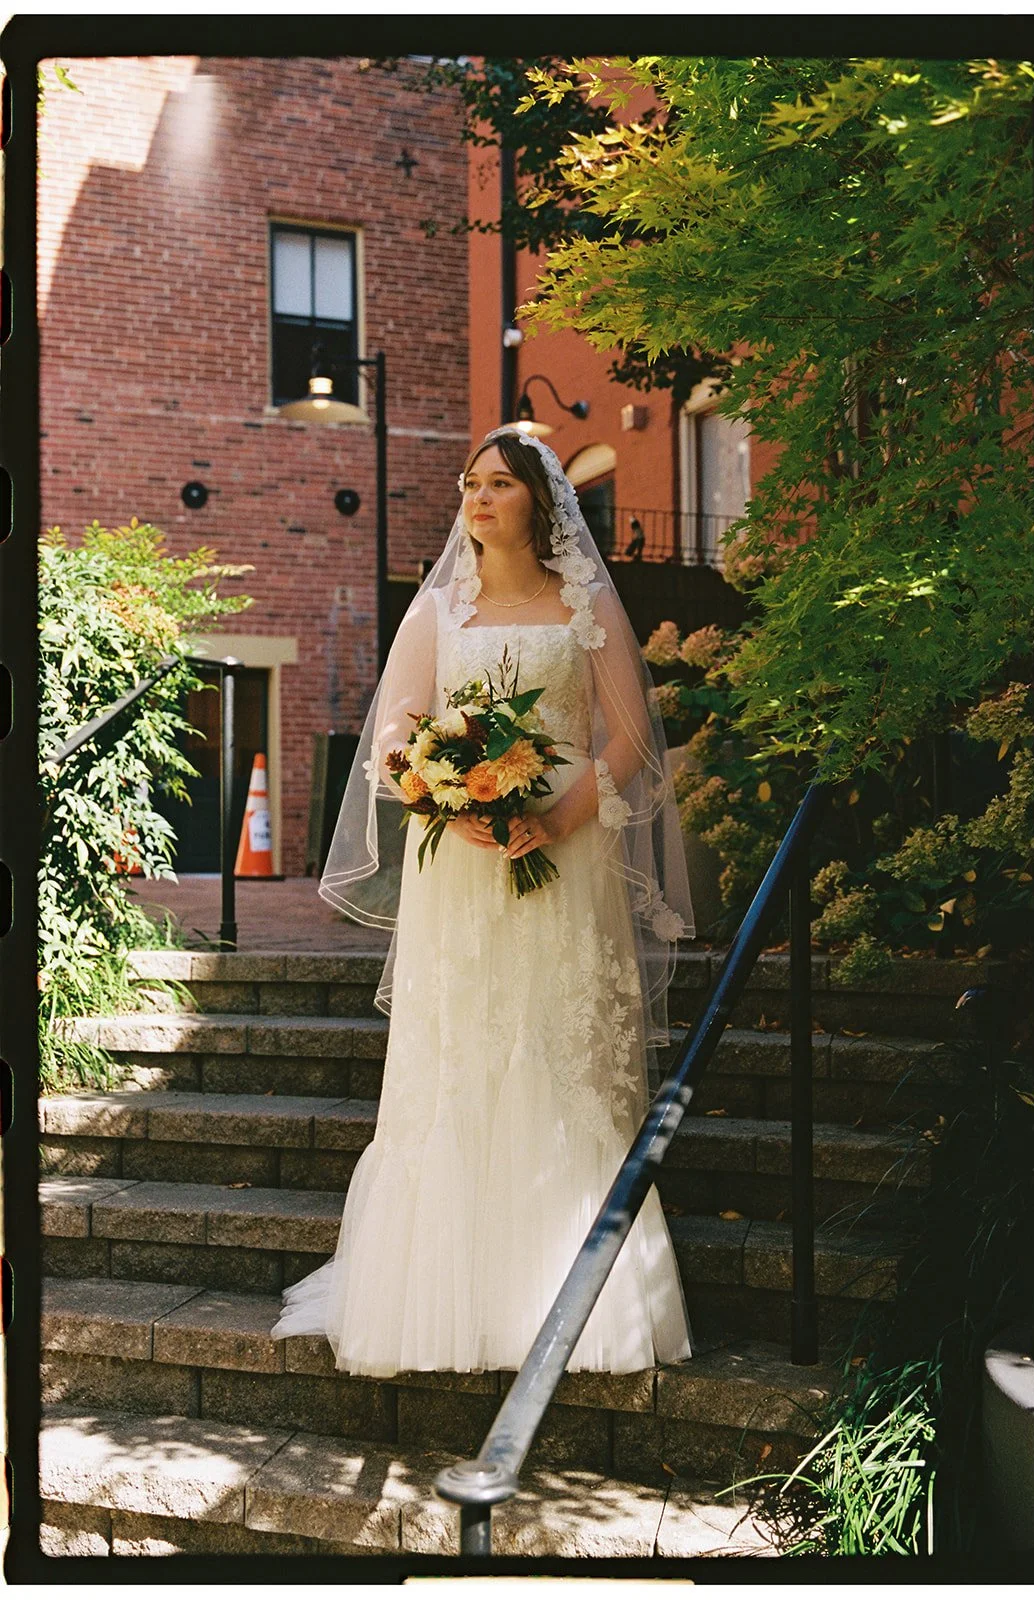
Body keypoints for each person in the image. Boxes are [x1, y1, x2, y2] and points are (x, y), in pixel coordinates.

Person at [270, 426, 694, 1375]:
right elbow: (395, 738)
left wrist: (557, 818)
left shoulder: (584, 608)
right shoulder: (436, 617)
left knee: (556, 1052)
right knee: (458, 1056)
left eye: (499, 483)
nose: (479, 497)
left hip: (564, 857)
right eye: (471, 483)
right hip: (458, 872)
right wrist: (443, 794)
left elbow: (627, 741)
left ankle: (576, 1298)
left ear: (540, 503)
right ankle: (436, 1296)